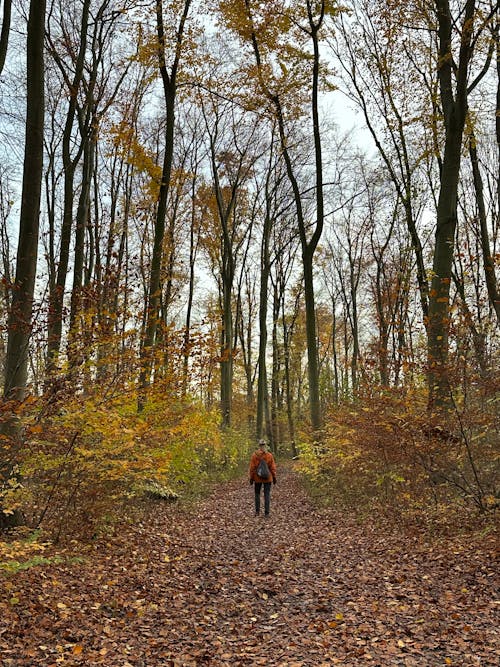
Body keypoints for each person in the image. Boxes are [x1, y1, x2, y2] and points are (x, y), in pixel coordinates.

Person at [249, 439, 277, 517]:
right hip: (268, 478)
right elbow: (273, 468)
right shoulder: (269, 455)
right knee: (267, 494)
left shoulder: (254, 455)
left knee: (257, 494)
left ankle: (257, 512)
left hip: (257, 478)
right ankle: (267, 513)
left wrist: (251, 478)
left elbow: (252, 468)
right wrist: (274, 477)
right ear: (265, 446)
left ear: (259, 446)